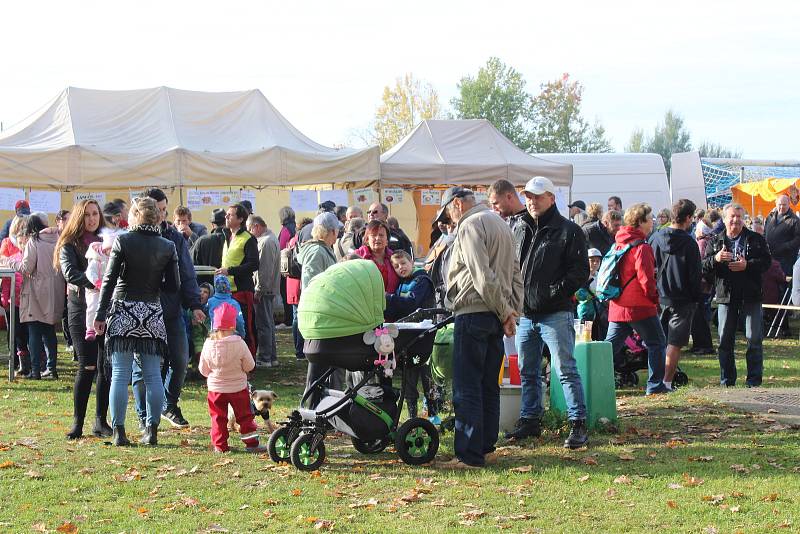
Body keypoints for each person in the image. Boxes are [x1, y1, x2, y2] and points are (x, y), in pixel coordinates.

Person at [435, 186, 521, 469]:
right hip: (496, 314)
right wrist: (510, 312)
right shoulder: (501, 223)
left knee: (468, 386)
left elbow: (481, 275)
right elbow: (515, 274)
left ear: (457, 204)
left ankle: (469, 455)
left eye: (448, 212)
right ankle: (485, 447)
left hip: (474, 312)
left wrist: (506, 311)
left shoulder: (470, 224)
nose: (449, 220)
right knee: (487, 384)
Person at [510, 176, 590, 448]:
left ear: (551, 198)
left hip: (555, 312)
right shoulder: (520, 227)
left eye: (537, 196)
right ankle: (530, 419)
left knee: (565, 368)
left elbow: (579, 272)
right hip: (525, 313)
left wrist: (552, 293)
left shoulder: (569, 231)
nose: (531, 201)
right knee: (527, 370)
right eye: (528, 196)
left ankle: (578, 423)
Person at [94, 197, 179, 446]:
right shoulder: (167, 246)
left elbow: (109, 281)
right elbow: (174, 286)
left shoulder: (123, 240)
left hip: (123, 308)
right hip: (151, 311)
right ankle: (151, 430)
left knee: (120, 374)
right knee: (153, 375)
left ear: (133, 216)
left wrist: (100, 315)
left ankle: (119, 432)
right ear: (157, 217)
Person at [133, 188, 204, 431]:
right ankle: (144, 418)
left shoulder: (174, 237)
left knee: (180, 359)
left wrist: (194, 304)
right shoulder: (131, 238)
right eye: (158, 210)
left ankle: (168, 403)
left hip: (172, 311)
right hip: (143, 311)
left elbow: (187, 273)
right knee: (144, 367)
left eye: (164, 210)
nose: (161, 215)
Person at [55, 199, 112, 440]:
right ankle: (78, 423)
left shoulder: (108, 241)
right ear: (80, 217)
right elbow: (70, 272)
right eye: (87, 214)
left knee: (105, 367)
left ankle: (100, 421)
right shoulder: (69, 244)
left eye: (95, 214)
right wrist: (94, 282)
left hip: (106, 308)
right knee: (87, 365)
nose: (92, 218)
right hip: (81, 309)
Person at [702, 203, 771, 387]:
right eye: (732, 216)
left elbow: (766, 263)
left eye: (739, 216)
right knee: (725, 340)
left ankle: (754, 382)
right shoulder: (715, 240)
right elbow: (703, 267)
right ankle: (727, 381)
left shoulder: (756, 239)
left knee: (754, 338)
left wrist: (747, 265)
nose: (736, 220)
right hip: (726, 295)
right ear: (724, 219)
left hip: (751, 295)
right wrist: (716, 259)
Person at [604, 203, 669, 395]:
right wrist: (655, 301)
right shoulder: (642, 247)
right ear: (640, 222)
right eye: (650, 219)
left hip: (618, 304)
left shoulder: (619, 243)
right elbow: (646, 281)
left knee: (607, 348)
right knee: (657, 342)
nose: (653, 222)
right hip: (639, 306)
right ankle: (656, 385)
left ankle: (589, 377)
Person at [1, 213, 65, 380]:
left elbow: (27, 268)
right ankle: (51, 368)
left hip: (36, 292)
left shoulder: (34, 241)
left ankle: (35, 370)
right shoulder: (57, 239)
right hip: (55, 291)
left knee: (34, 331)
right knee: (49, 331)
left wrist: (9, 262)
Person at [199, 302, 267, 454]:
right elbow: (250, 365)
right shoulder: (240, 343)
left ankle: (220, 445)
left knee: (218, 417)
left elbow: (203, 370)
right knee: (245, 416)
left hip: (216, 389)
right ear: (233, 324)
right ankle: (251, 443)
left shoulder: (208, 344)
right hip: (238, 388)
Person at [649, 199, 702, 391]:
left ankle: (655, 379)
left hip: (658, 296)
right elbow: (695, 275)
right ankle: (666, 382)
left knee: (657, 342)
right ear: (688, 218)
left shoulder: (655, 238)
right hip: (682, 299)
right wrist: (697, 297)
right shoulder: (689, 243)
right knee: (675, 343)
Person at [385, 250, 440, 424]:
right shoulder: (402, 284)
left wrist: (388, 298)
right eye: (396, 266)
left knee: (426, 376)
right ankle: (411, 414)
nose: (400, 268)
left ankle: (433, 413)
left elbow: (412, 304)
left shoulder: (421, 280)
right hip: (408, 337)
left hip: (424, 335)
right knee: (409, 376)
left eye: (403, 264)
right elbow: (397, 309)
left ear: (412, 262)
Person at [297, 212, 340, 404]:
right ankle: (311, 407)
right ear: (330, 231)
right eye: (336, 230)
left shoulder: (325, 249)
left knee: (324, 365)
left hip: (325, 314)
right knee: (317, 367)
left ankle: (323, 405)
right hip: (318, 315)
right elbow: (311, 284)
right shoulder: (316, 252)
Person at [216, 203, 259, 356]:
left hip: (242, 290)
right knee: (231, 326)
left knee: (246, 326)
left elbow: (254, 264)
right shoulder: (227, 235)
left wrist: (230, 271)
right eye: (227, 214)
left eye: (231, 214)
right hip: (227, 291)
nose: (226, 216)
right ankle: (236, 358)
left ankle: (250, 360)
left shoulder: (248, 238)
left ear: (240, 219)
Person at [84, 204, 127, 341]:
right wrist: (97, 282)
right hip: (97, 289)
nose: (110, 253)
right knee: (93, 306)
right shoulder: (97, 259)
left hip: (112, 289)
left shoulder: (116, 259)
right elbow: (90, 272)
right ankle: (90, 328)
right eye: (108, 250)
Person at [247, 214, 280, 367]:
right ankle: (271, 357)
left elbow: (264, 270)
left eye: (249, 229)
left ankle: (265, 357)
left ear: (256, 227)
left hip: (264, 290)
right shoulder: (270, 238)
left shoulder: (266, 242)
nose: (248, 232)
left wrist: (259, 290)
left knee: (263, 324)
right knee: (268, 323)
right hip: (268, 288)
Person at [1, 215, 29, 374]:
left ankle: (27, 363)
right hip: (13, 297)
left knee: (24, 332)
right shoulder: (7, 244)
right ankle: (20, 361)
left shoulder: (29, 250)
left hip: (25, 299)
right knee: (15, 331)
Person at [286, 217, 313, 360]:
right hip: (300, 282)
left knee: (296, 316)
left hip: (292, 282)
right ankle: (300, 349)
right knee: (299, 317)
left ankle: (299, 350)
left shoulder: (292, 240)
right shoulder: (303, 242)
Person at [355, 220, 400, 293]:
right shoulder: (357, 256)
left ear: (387, 240)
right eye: (373, 235)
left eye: (381, 235)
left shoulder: (395, 258)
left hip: (390, 302)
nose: (378, 238)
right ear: (367, 240)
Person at [575, 248, 607, 341]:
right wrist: (591, 296)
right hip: (584, 313)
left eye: (597, 261)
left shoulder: (600, 275)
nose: (595, 263)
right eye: (592, 260)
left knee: (597, 336)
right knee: (584, 338)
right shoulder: (581, 275)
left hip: (599, 313)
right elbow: (577, 294)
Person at [764, 194, 800, 275]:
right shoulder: (770, 217)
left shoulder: (795, 220)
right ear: (776, 203)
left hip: (785, 260)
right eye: (779, 204)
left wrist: (785, 246)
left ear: (789, 204)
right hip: (770, 257)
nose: (781, 207)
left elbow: (798, 239)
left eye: (784, 205)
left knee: (782, 282)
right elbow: (765, 232)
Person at [277, 206, 297, 329]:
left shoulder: (285, 229)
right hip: (294, 265)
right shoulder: (294, 227)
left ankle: (288, 321)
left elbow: (281, 248)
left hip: (286, 266)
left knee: (286, 293)